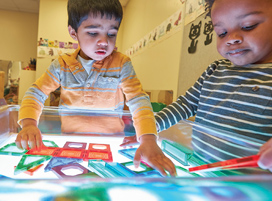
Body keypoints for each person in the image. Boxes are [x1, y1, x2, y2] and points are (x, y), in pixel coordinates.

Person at [15, 0, 175, 176]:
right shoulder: (61, 65)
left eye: (112, 34)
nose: (104, 42)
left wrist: (148, 138)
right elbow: (35, 93)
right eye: (93, 32)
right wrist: (29, 124)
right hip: (71, 142)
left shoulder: (121, 64)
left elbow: (139, 100)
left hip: (112, 143)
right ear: (73, 32)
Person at [155, 0, 272, 176]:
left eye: (248, 26)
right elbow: (185, 104)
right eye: (222, 33)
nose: (231, 38)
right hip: (202, 171)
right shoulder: (214, 71)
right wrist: (148, 127)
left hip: (252, 186)